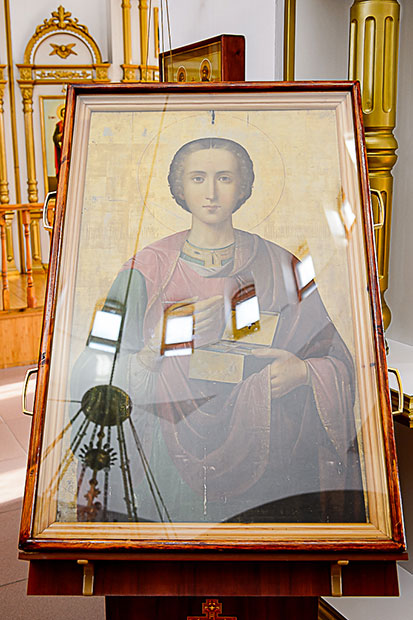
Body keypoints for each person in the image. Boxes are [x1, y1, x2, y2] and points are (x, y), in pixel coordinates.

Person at [72, 137, 365, 524]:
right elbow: (92, 370)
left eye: (224, 178)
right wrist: (152, 350)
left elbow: (334, 357)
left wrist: (304, 373)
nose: (211, 192)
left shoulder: (283, 265)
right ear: (179, 187)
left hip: (268, 457)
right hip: (166, 455)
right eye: (198, 178)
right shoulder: (145, 272)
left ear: (243, 187)